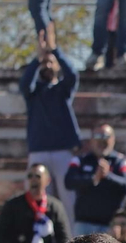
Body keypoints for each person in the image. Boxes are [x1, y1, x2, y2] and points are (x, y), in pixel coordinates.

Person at [21, 28, 81, 173]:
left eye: (51, 62)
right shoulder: (33, 93)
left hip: (63, 151)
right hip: (38, 150)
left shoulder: (63, 89)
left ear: (57, 66)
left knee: (67, 195)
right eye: (44, 63)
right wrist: (37, 59)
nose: (47, 66)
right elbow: (24, 84)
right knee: (39, 195)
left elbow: (72, 75)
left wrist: (55, 50)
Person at [65, 124, 126, 236]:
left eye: (106, 136)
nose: (102, 141)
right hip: (83, 224)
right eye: (98, 136)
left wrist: (107, 176)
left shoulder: (123, 161)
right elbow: (69, 182)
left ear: (113, 139)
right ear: (91, 140)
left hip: (111, 225)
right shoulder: (80, 160)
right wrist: (93, 179)